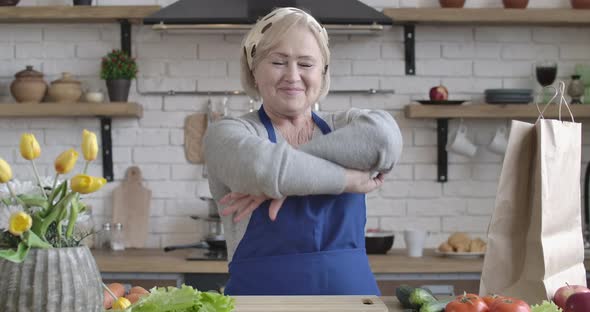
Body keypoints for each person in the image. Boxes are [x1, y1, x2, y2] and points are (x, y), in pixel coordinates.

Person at [203, 7, 402, 296]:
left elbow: (385, 139)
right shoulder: (228, 134)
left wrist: (283, 178)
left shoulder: (344, 124)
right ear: (253, 71)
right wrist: (347, 180)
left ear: (323, 73)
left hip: (352, 303)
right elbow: (264, 168)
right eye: (278, 62)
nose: (293, 76)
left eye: (306, 64)